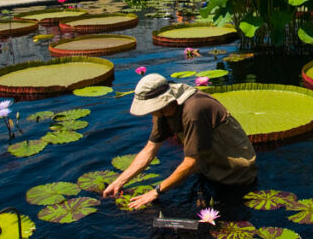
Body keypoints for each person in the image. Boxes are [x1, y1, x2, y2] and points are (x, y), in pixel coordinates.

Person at [102, 74, 257, 209]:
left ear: (162, 102)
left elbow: (191, 162)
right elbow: (150, 150)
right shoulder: (161, 113)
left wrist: (156, 191)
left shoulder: (194, 110)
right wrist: (118, 183)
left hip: (236, 175)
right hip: (208, 169)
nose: (149, 112)